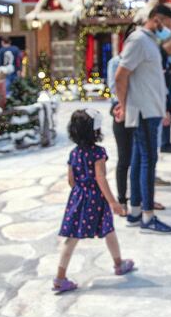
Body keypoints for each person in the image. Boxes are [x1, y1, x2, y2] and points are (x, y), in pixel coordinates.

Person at [53, 109, 135, 294]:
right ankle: (118, 264)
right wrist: (113, 202)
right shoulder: (98, 153)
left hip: (78, 198)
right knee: (108, 230)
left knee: (71, 238)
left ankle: (60, 277)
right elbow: (101, 178)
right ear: (95, 131)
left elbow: (71, 181)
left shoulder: (73, 154)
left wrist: (80, 192)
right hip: (96, 199)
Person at [114, 4, 171, 234]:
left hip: (151, 109)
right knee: (147, 161)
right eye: (169, 25)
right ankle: (147, 216)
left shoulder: (149, 41)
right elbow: (120, 76)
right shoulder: (138, 40)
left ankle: (135, 211)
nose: (170, 30)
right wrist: (123, 105)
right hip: (143, 111)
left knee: (141, 159)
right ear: (157, 19)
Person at [107, 48, 131, 212]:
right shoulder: (116, 62)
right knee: (124, 159)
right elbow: (114, 87)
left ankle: (142, 200)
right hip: (121, 111)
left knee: (139, 159)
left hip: (138, 111)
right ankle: (122, 200)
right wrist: (121, 106)